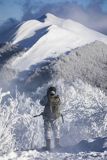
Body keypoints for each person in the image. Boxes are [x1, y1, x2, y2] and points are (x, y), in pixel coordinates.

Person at [40, 86, 61, 151]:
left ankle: (48, 147)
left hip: (47, 117)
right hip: (55, 117)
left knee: (47, 131)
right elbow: (60, 104)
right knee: (56, 130)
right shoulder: (57, 97)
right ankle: (57, 145)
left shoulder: (46, 97)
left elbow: (41, 103)